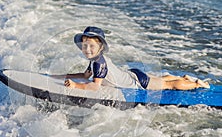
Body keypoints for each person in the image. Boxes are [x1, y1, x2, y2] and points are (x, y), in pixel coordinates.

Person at [59, 26, 210, 91]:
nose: (87, 49)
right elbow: (86, 76)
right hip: (132, 74)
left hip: (138, 82)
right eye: (85, 45)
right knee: (162, 78)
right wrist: (65, 76)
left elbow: (94, 87)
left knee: (170, 85)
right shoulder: (94, 60)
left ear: (100, 48)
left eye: (91, 46)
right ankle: (184, 77)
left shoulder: (99, 63)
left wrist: (75, 86)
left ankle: (196, 84)